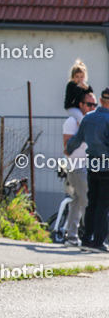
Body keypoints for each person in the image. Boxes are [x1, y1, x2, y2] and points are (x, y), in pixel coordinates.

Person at [66, 88, 109, 252]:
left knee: (91, 204)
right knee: (104, 205)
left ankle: (86, 239)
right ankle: (99, 242)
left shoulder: (89, 118)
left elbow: (76, 141)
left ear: (100, 99)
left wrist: (68, 150)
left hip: (92, 166)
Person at [62, 91, 95, 246]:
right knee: (87, 201)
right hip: (76, 166)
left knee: (77, 200)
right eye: (89, 104)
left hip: (86, 166)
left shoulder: (89, 122)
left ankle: (71, 236)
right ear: (81, 105)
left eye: (95, 104)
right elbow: (67, 147)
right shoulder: (71, 122)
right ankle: (90, 237)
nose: (92, 107)